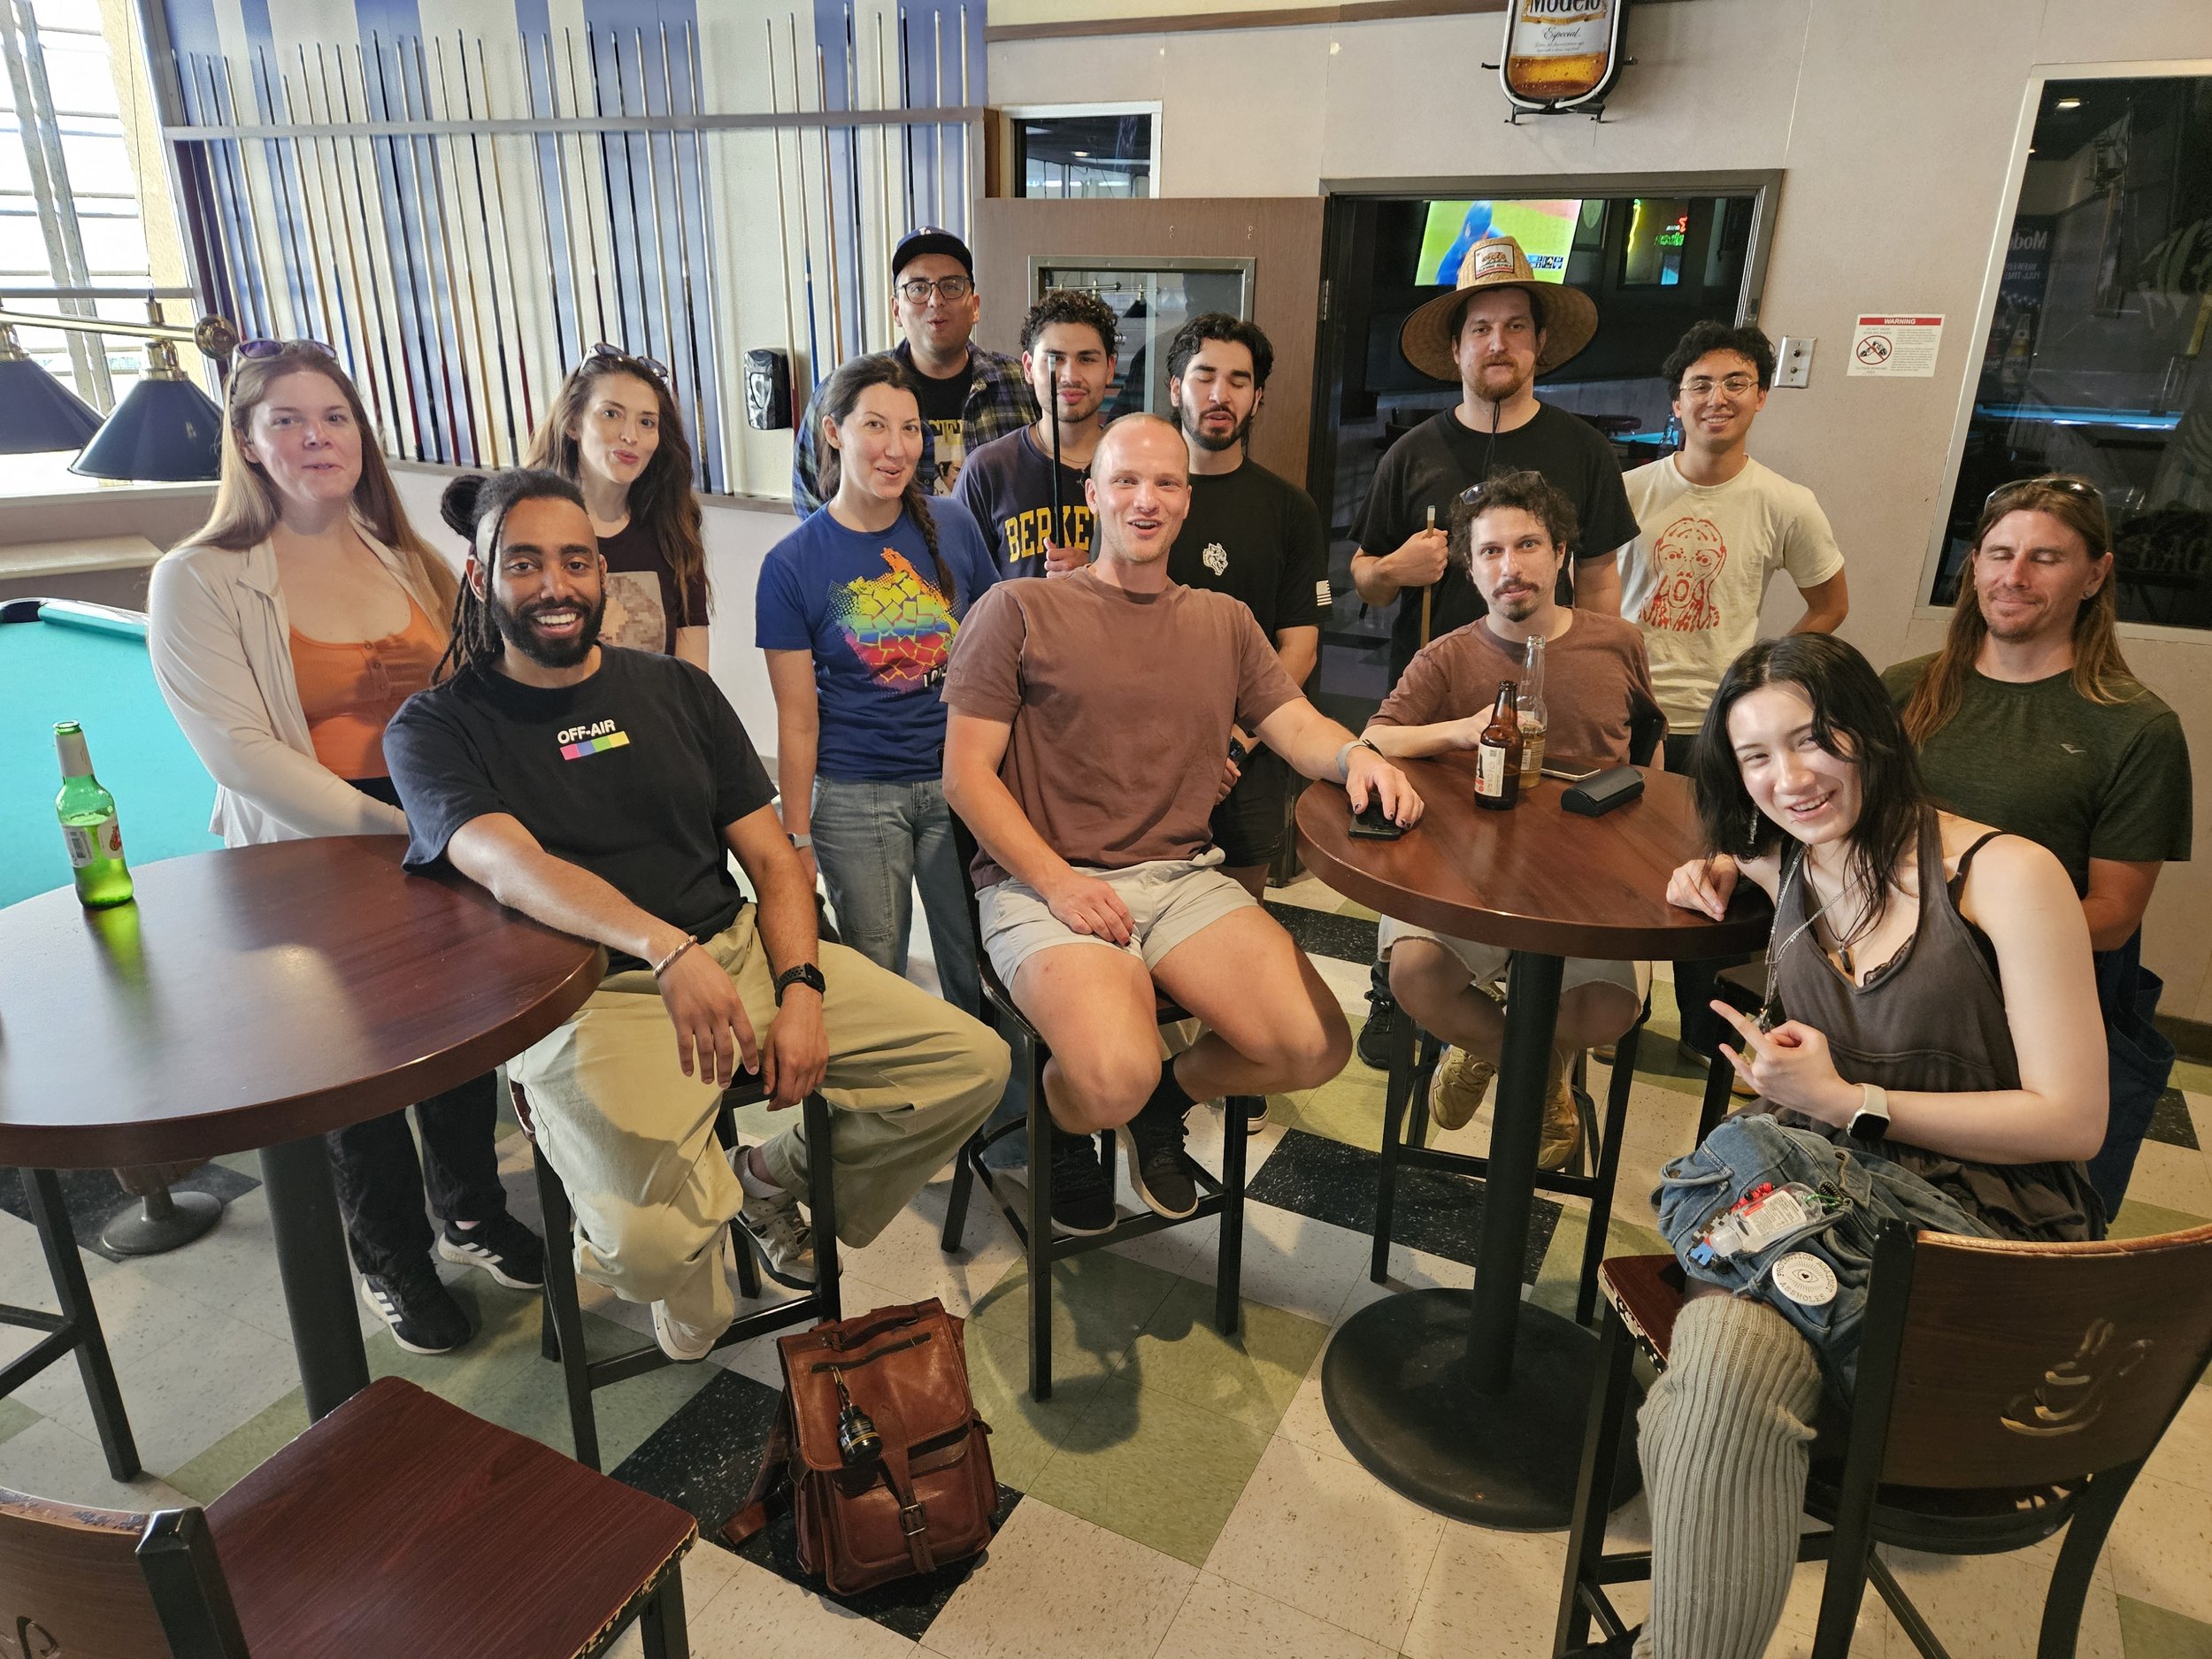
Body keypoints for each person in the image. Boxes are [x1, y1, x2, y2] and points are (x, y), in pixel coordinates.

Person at [382, 468, 1007, 1361]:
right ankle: (684, 1236)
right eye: (523, 564)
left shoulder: (674, 691)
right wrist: (666, 951)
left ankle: (757, 1176)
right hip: (588, 997)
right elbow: (512, 866)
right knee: (644, 1259)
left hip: (736, 951)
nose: (554, 587)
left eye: (574, 562)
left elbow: (770, 859)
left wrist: (798, 987)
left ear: (604, 574)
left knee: (967, 1063)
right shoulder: (435, 726)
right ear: (480, 580)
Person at [1585, 635, 2106, 1659]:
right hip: (1825, 1220)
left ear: (1871, 731)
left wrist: (1848, 1099)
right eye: (1756, 758)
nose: (1788, 778)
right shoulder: (1790, 861)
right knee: (1720, 1377)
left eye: (1812, 741)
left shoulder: (2004, 875)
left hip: (1975, 1238)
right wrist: (1718, 867)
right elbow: (1753, 851)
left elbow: (2072, 1118)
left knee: (1711, 1350)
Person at [149, 341, 542, 1356]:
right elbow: (239, 753)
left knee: (457, 1047)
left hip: (434, 825)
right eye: (286, 419)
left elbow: (477, 692)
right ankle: (389, 1256)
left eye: (335, 416)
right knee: (355, 1077)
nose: (317, 437)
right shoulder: (199, 578)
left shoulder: (404, 554)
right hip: (311, 856)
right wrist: (404, 829)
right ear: (246, 440)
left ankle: (469, 1212)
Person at [941, 414, 1422, 1234]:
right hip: (1044, 882)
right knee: (1109, 1077)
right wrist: (1059, 883)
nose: (1145, 499)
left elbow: (1294, 723)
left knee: (1313, 1046)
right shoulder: (1017, 608)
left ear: (1186, 500)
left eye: (1165, 483)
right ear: (1092, 495)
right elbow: (965, 775)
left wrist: (1359, 758)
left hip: (1179, 876)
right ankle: (1065, 1122)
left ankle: (1167, 1097)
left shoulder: (1224, 620)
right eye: (1125, 480)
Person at [1348, 234, 1641, 1066]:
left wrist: (1602, 659)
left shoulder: (1583, 450)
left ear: (1539, 344)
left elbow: (1603, 577)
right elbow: (1365, 575)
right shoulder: (1412, 452)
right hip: (1439, 684)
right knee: (1432, 849)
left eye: (1516, 326)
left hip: (1549, 682)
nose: (1498, 344)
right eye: (1481, 328)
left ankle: (1508, 1048)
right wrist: (1397, 569)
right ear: (1456, 347)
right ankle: (1411, 991)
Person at [1885, 475, 2191, 1216]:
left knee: (2003, 1233)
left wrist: (1954, 925)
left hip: (2036, 1029)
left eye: (2045, 558)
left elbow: (2113, 914)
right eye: (1998, 553)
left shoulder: (2135, 729)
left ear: (2096, 575)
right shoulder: (1905, 690)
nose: (2013, 577)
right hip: (1894, 1003)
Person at [1362, 471, 1661, 1169]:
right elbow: (1371, 741)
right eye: (1491, 551)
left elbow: (1646, 754)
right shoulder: (1447, 656)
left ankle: (1485, 1048)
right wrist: (1461, 729)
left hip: (1585, 873)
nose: (1510, 565)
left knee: (1610, 1009)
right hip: (1462, 867)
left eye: (1527, 544)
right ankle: (1540, 1075)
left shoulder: (1617, 642)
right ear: (1471, 568)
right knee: (1415, 973)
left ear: (1561, 553)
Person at [1620, 320, 1847, 1062]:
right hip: (1628, 713)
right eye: (1700, 386)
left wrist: (1766, 678)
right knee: (1617, 868)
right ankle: (1611, 1015)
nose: (1717, 398)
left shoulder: (1785, 501)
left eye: (1735, 383)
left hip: (1722, 729)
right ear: (1676, 403)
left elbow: (1831, 601)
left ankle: (1702, 1031)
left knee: (1715, 873)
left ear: (1761, 397)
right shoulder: (1629, 493)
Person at [757, 355, 999, 1019]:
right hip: (856, 795)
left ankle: (1003, 1116)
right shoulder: (790, 565)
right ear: (834, 432)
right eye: (875, 426)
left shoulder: (954, 525)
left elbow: (999, 652)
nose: (897, 449)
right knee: (878, 978)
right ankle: (895, 1116)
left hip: (963, 782)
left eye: (911, 429)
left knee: (981, 963)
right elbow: (798, 720)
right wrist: (797, 836)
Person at [1164, 312, 1331, 899]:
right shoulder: (1141, 498)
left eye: (1239, 380)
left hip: (1248, 754)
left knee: (1240, 916)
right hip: (1151, 748)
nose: (1219, 393)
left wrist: (1233, 742)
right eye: (1204, 375)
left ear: (1257, 397)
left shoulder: (1291, 510)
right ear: (1174, 387)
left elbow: (1300, 649)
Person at [791, 227, 1039, 512]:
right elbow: (809, 497)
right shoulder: (844, 391)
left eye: (952, 285)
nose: (935, 300)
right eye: (918, 288)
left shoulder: (1023, 385)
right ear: (897, 310)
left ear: (975, 307)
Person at [526, 344, 711, 669]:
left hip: (655, 716)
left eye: (646, 422)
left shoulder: (674, 525)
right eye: (611, 414)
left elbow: (693, 679)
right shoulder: (521, 524)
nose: (631, 436)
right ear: (573, 423)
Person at [953, 288, 1118, 579]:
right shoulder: (988, 471)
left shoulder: (1133, 468)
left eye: (1087, 359)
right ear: (1028, 367)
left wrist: (1097, 569)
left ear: (1110, 368)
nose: (1070, 377)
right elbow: (958, 583)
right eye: (1055, 360)